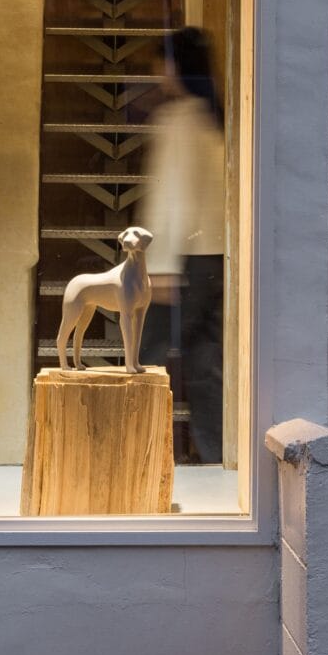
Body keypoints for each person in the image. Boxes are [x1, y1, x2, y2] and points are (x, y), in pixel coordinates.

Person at [140, 26, 225, 464]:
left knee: (146, 357)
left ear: (174, 65)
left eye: (160, 60)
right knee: (205, 358)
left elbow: (172, 198)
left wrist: (159, 264)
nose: (156, 71)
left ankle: (139, 454)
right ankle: (216, 455)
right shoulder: (217, 119)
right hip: (217, 258)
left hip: (181, 259)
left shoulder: (175, 121)